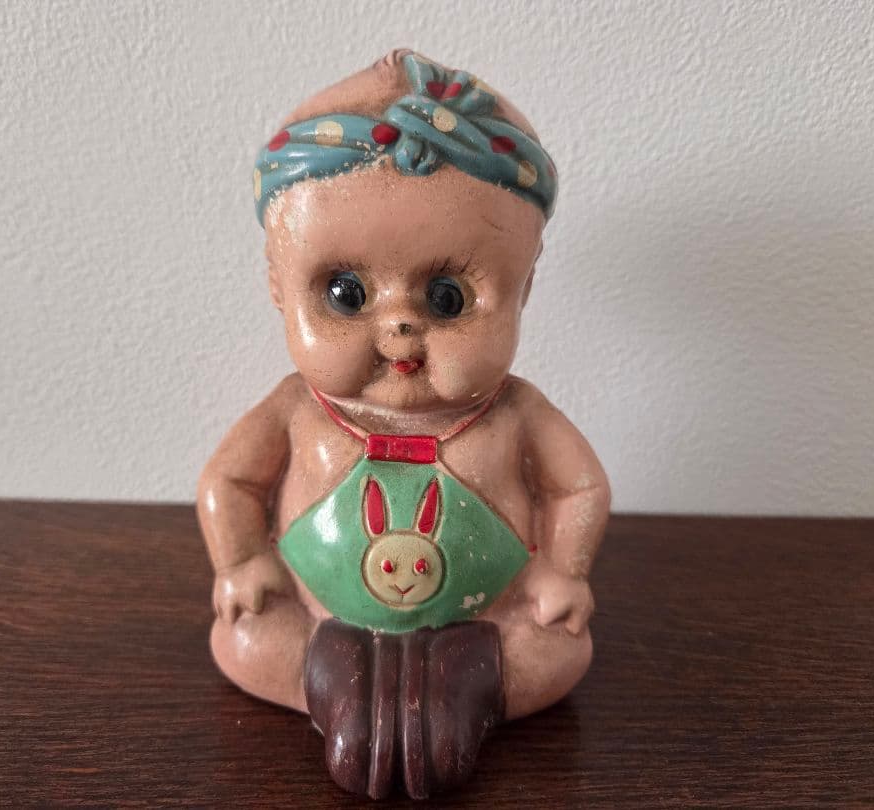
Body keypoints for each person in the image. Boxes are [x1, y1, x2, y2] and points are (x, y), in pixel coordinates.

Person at [197, 49, 610, 799]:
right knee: (248, 637)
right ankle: (326, 672)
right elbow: (230, 481)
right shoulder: (295, 409)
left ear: (524, 286)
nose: (398, 331)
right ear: (277, 285)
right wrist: (244, 562)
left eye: (448, 298)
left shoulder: (516, 413)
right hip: (319, 610)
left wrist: (562, 572)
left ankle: (472, 675)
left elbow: (578, 487)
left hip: (488, 616)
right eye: (346, 293)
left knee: (557, 649)